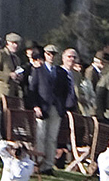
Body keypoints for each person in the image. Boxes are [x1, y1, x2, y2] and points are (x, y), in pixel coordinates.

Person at [27, 45, 69, 174]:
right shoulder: (38, 71)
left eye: (53, 54)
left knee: (52, 138)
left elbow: (66, 91)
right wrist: (35, 106)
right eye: (49, 54)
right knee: (40, 136)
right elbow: (32, 90)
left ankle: (48, 165)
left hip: (56, 108)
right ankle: (38, 163)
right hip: (42, 107)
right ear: (44, 54)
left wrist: (62, 106)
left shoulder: (61, 72)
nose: (51, 56)